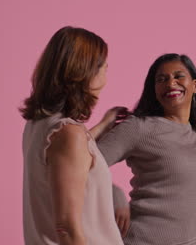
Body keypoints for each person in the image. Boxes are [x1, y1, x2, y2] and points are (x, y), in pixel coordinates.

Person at [95, 53, 196, 245]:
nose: (170, 83)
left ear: (194, 86)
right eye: (162, 79)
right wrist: (114, 194)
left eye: (178, 76)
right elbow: (84, 166)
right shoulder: (140, 127)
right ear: (154, 89)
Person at [20, 26, 124, 245]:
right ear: (85, 72)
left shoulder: (37, 127)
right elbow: (67, 228)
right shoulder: (68, 135)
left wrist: (104, 125)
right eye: (104, 66)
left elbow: (71, 159)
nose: (107, 72)